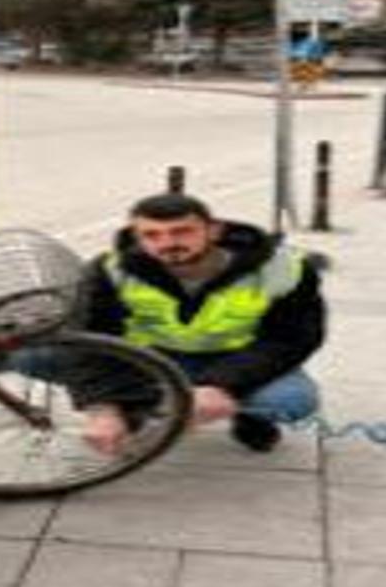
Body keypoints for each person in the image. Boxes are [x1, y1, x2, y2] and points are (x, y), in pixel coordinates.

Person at [81, 194, 325, 453]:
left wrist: (224, 385)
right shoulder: (110, 269)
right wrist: (104, 406)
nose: (168, 243)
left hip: (236, 357)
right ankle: (132, 409)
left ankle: (249, 417)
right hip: (152, 356)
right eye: (151, 235)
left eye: (182, 231)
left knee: (292, 400)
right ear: (137, 237)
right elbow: (93, 338)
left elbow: (291, 338)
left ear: (214, 230)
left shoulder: (281, 270)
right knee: (50, 355)